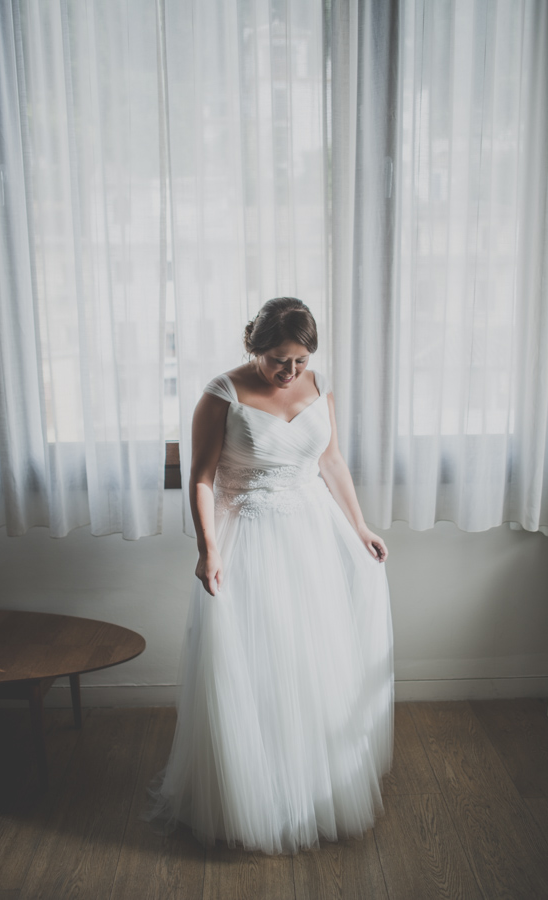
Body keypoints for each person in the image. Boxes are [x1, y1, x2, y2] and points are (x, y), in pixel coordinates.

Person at [145, 297, 394, 855]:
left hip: (312, 535)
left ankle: (313, 786)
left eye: (301, 361)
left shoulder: (319, 385)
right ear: (254, 346)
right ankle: (254, 794)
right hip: (249, 538)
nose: (291, 372)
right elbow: (202, 478)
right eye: (280, 360)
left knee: (314, 659)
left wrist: (358, 526)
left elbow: (331, 461)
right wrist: (208, 548)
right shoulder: (222, 394)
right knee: (259, 662)